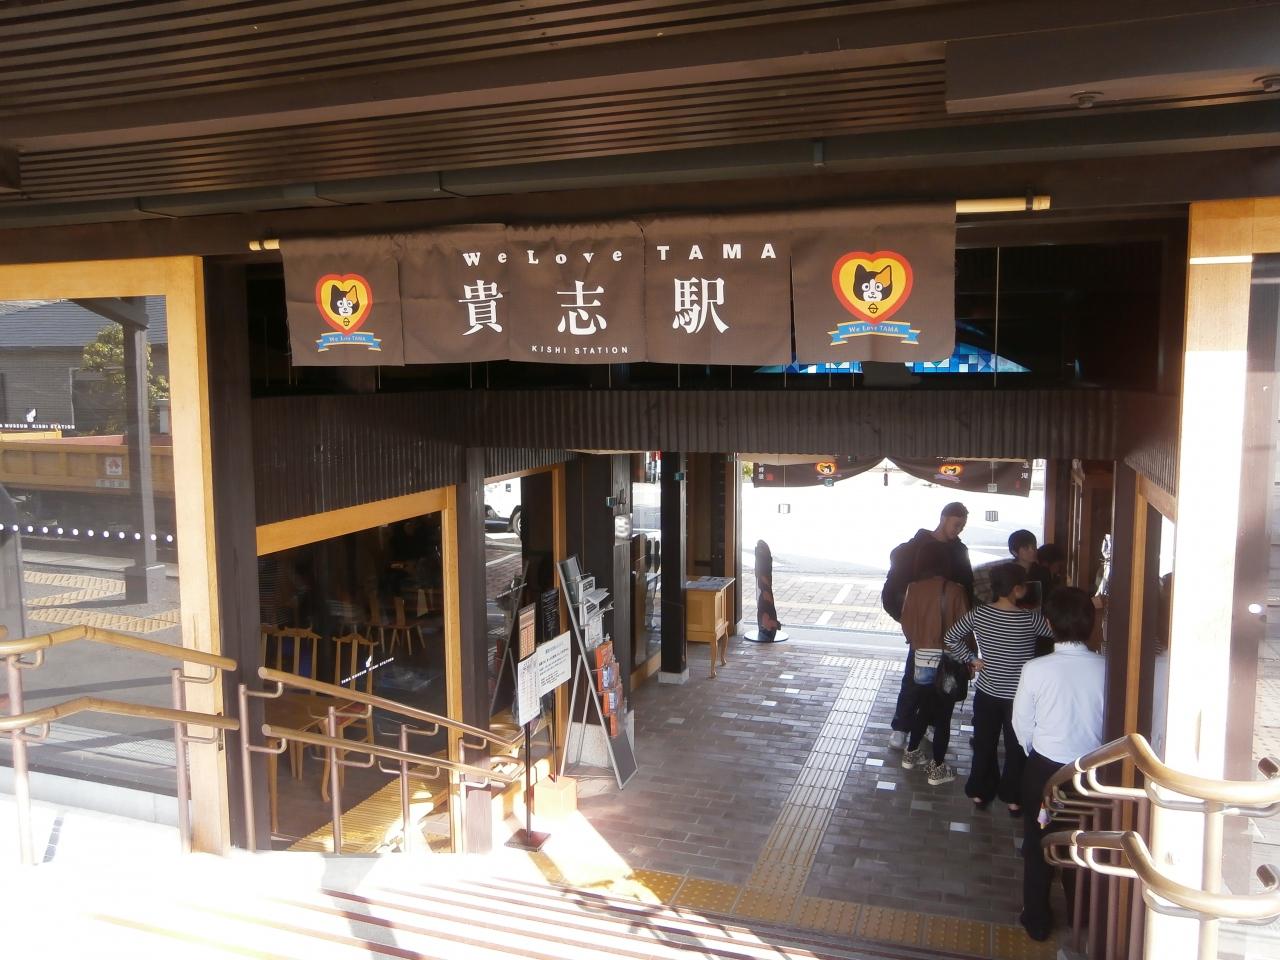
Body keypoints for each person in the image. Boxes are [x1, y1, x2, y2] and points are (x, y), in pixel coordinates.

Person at [1012, 587, 1105, 942]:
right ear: (1092, 623)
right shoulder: (1107, 668)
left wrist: (1037, 751)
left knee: (1038, 841)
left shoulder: (1036, 669)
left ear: (1049, 624)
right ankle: (1082, 915)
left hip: (1044, 774)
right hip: (1091, 776)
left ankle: (1037, 919)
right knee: (1082, 841)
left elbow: (1022, 723)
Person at [943, 563, 1053, 812]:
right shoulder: (1030, 619)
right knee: (1017, 746)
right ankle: (1014, 798)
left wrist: (972, 659)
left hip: (987, 692)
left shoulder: (979, 614)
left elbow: (951, 637)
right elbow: (1057, 630)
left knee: (984, 743)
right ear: (1017, 589)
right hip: (1019, 697)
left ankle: (980, 792)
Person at [882, 502, 974, 749]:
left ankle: (930, 724)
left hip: (950, 633)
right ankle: (902, 727)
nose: (958, 530)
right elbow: (893, 590)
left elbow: (968, 591)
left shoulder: (959, 550)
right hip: (924, 632)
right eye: (956, 524)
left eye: (962, 526)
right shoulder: (914, 548)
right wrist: (912, 625)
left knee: (942, 681)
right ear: (943, 518)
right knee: (914, 681)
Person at [898, 540, 970, 785]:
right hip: (949, 660)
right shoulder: (956, 590)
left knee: (924, 706)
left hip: (921, 657)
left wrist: (918, 642)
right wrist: (969, 658)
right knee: (943, 715)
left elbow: (906, 624)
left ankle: (911, 753)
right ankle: (937, 768)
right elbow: (965, 628)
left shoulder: (914, 588)